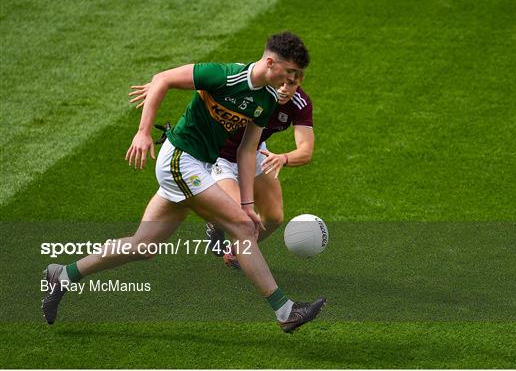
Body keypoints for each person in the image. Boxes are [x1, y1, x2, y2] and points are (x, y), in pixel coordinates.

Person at [41, 32, 326, 333]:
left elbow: (246, 151)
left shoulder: (265, 100)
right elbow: (162, 78)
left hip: (197, 166)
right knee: (242, 228)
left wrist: (247, 203)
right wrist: (143, 131)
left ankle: (63, 274)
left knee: (144, 245)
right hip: (178, 159)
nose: (289, 82)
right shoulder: (223, 76)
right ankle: (285, 311)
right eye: (289, 72)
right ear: (271, 62)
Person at [210, 72, 314, 268]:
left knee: (273, 217)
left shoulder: (300, 104)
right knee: (243, 219)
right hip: (218, 154)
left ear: (299, 83)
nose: (284, 88)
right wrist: (162, 84)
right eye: (281, 82)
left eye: (291, 84)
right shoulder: (251, 85)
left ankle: (234, 253)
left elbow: (306, 151)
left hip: (254, 151)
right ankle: (215, 221)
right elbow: (207, 82)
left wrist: (283, 158)